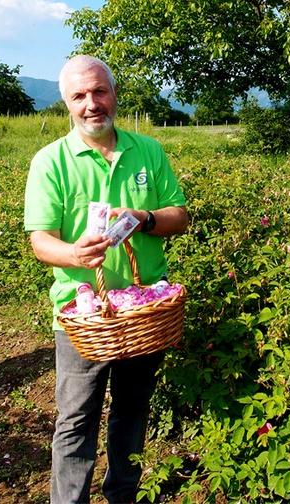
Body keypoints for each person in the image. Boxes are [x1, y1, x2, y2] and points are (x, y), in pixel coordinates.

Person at [24, 55, 188, 503]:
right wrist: (74, 253)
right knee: (76, 419)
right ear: (66, 104)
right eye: (79, 96)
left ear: (114, 94)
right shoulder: (50, 161)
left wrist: (146, 217)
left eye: (99, 91)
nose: (91, 103)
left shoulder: (148, 150)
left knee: (132, 413)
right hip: (83, 320)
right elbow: (41, 241)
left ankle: (122, 496)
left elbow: (180, 214)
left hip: (144, 314)